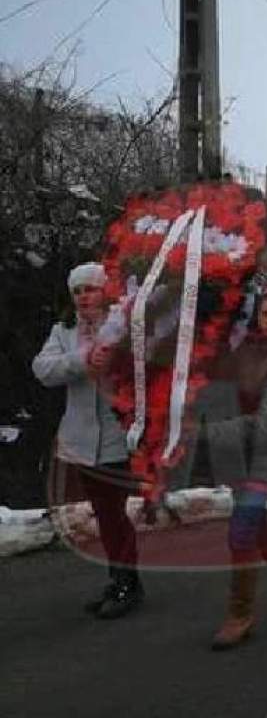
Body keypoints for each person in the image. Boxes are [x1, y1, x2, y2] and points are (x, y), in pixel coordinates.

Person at [194, 283, 267, 650]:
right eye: (266, 313)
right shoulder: (249, 346)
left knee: (242, 531)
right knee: (257, 526)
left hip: (265, 456)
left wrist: (209, 432)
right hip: (236, 452)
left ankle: (240, 614)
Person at [33, 263, 143, 619]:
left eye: (90, 289)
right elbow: (43, 369)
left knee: (113, 513)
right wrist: (82, 359)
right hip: (81, 439)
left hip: (117, 435)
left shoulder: (125, 324)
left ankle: (127, 582)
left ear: (104, 291)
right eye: (78, 291)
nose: (83, 297)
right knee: (106, 513)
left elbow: (145, 364)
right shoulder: (64, 331)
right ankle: (122, 579)